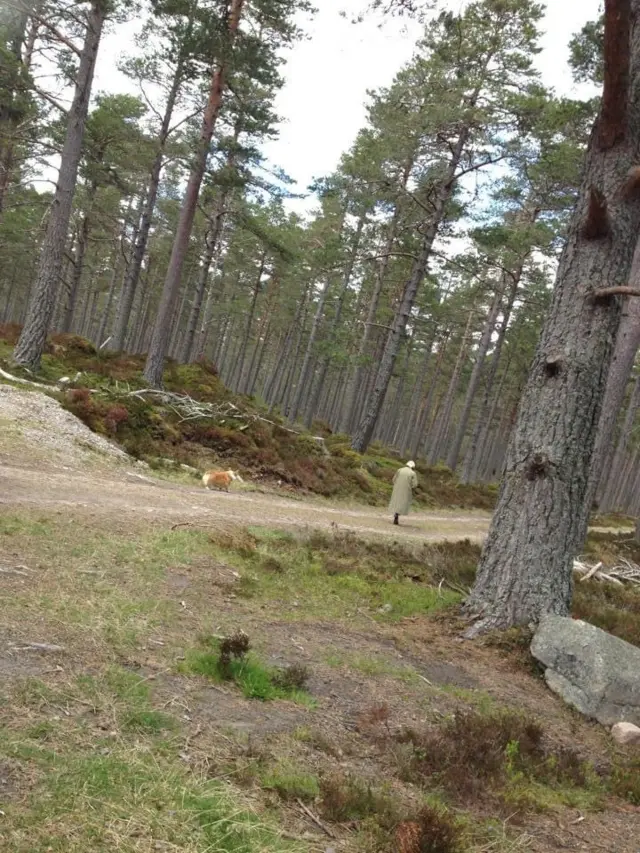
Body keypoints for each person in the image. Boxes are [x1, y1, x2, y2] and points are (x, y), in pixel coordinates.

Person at [389, 460, 418, 525]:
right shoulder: (412, 473)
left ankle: (395, 514)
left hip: (397, 489)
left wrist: (396, 485)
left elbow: (394, 479)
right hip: (406, 490)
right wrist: (412, 489)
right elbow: (414, 484)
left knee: (396, 501)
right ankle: (397, 514)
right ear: (412, 466)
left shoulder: (399, 470)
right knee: (403, 503)